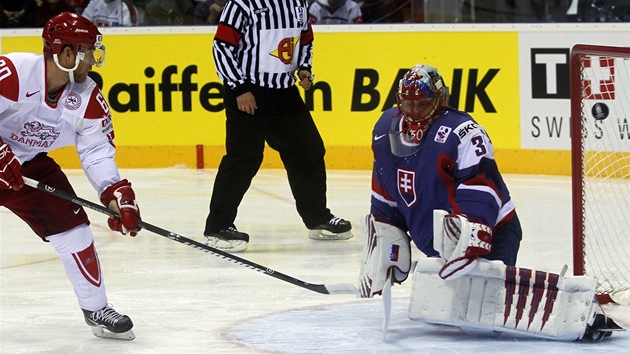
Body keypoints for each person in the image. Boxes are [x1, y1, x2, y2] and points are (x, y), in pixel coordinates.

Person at [0, 12, 141, 340]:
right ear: (66, 54)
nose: (93, 59)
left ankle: (96, 308)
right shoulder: (14, 72)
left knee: (73, 227)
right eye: (88, 51)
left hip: (28, 168)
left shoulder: (89, 96)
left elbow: (96, 152)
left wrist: (115, 191)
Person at [207, 0, 352, 253]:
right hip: (247, 91)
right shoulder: (242, 4)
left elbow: (305, 38)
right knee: (243, 158)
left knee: (308, 149)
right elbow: (222, 47)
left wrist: (304, 68)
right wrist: (239, 88)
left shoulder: (297, 3)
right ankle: (218, 226)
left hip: (284, 91)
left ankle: (317, 217)